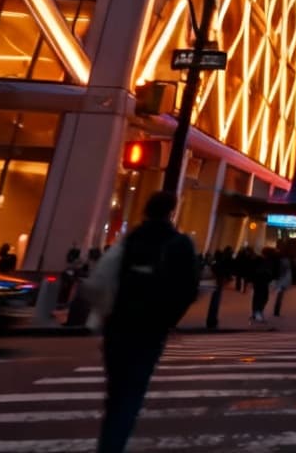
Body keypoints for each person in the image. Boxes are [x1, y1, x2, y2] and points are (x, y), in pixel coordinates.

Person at [86, 191, 199, 453]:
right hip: (150, 326)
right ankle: (113, 445)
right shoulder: (179, 243)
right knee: (131, 392)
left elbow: (100, 279)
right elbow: (189, 289)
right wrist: (169, 318)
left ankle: (108, 443)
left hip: (118, 323)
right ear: (172, 211)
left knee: (116, 392)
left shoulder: (130, 239)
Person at [247, 245, 275, 322]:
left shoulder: (260, 259)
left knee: (258, 296)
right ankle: (258, 312)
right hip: (262, 281)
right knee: (262, 297)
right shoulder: (265, 260)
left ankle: (256, 312)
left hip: (259, 281)